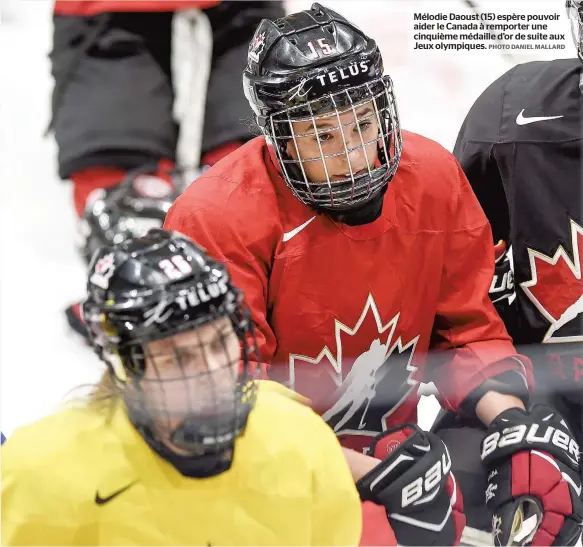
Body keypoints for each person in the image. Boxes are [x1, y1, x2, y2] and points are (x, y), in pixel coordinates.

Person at [162, 3, 582, 545]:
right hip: (258, 468)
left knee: (521, 492)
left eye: (362, 124)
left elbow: (467, 331)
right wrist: (374, 479)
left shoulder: (431, 177)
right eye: (323, 137)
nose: (353, 156)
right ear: (278, 138)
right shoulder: (215, 219)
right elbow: (223, 406)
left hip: (395, 452)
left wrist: (513, 425)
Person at [1, 229, 363, 546]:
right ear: (126, 365)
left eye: (220, 343)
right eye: (178, 358)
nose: (211, 373)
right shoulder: (40, 475)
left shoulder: (301, 439)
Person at [49, 0, 285, 336]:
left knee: (257, 175)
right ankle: (142, 305)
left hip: (238, 12)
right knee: (123, 201)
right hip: (106, 14)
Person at [449, 0, 583, 543]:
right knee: (443, 499)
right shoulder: (515, 114)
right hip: (539, 410)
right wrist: (506, 413)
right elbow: (453, 300)